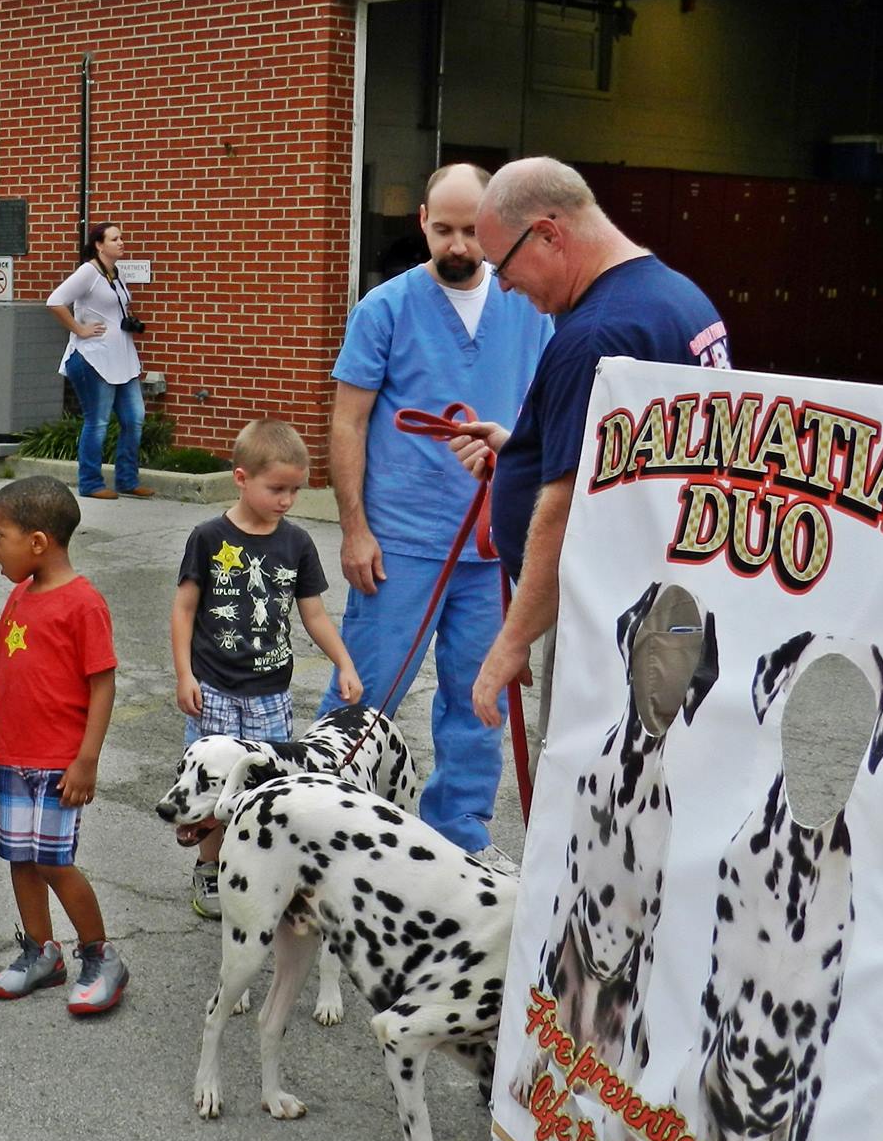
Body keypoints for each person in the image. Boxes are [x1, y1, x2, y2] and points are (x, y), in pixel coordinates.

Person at [320, 165, 553, 871]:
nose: (457, 245)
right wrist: (355, 528)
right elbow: (347, 424)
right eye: (443, 229)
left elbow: (545, 423)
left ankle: (462, 829)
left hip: (495, 544)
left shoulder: (528, 310)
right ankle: (329, 825)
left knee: (479, 696)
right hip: (403, 541)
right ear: (422, 220)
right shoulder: (384, 308)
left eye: (471, 231)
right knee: (366, 691)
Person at [451, 156, 730, 730]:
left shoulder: (597, 334)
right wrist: (522, 452)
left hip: (616, 622)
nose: (502, 284)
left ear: (549, 234)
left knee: (595, 804)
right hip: (675, 604)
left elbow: (567, 507)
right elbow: (637, 457)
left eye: (503, 266)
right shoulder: (677, 298)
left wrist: (512, 639)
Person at [172, 418, 361, 919]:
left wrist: (343, 662)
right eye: (276, 488)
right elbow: (184, 609)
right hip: (212, 687)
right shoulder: (209, 537)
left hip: (269, 694)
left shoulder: (296, 543)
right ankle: (209, 869)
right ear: (241, 478)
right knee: (213, 787)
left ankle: (258, 871)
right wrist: (184, 675)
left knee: (264, 788)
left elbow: (313, 613)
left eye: (295, 490)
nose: (286, 500)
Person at [0, 476, 129, 1014]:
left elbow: (102, 683)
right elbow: (3, 663)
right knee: (20, 858)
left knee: (55, 862)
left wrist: (87, 759)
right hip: (13, 754)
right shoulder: (19, 592)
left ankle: (100, 955)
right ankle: (41, 953)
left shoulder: (83, 604)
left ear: (37, 542)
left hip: (60, 762)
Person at [46, 222, 155, 500]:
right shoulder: (88, 272)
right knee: (98, 422)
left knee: (135, 418)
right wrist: (79, 329)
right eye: (114, 238)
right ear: (99, 244)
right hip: (93, 359)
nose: (121, 242)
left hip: (123, 360)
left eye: (121, 238)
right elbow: (55, 301)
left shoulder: (115, 274)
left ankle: (127, 479)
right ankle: (91, 482)